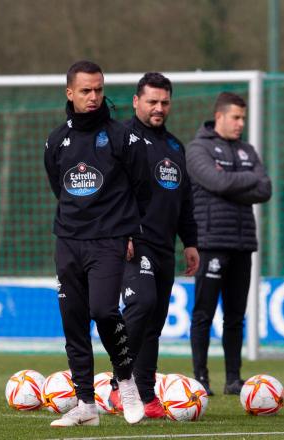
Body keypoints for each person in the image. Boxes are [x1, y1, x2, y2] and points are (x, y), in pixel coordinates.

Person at [43, 60, 150, 427]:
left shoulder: (121, 137)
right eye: (86, 90)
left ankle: (127, 383)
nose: (93, 97)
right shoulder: (57, 140)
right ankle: (86, 404)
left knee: (104, 310)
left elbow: (142, 189)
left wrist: (131, 233)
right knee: (72, 319)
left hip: (109, 239)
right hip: (69, 240)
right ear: (70, 93)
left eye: (99, 90)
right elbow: (60, 186)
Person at [108, 72, 199, 418]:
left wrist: (190, 242)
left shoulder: (176, 146)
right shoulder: (121, 139)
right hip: (134, 239)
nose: (159, 108)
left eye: (164, 102)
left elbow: (184, 200)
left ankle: (145, 394)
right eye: (152, 101)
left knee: (154, 323)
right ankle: (120, 385)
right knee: (141, 304)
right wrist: (123, 232)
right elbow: (112, 192)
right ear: (136, 101)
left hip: (165, 246)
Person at [186, 92, 271, 395]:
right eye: (236, 117)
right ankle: (200, 377)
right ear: (219, 116)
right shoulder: (198, 149)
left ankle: (233, 379)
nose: (241, 124)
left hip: (243, 243)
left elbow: (265, 188)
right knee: (204, 313)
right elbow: (217, 182)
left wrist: (232, 181)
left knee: (235, 316)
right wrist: (245, 179)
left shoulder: (247, 149)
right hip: (211, 242)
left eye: (243, 118)